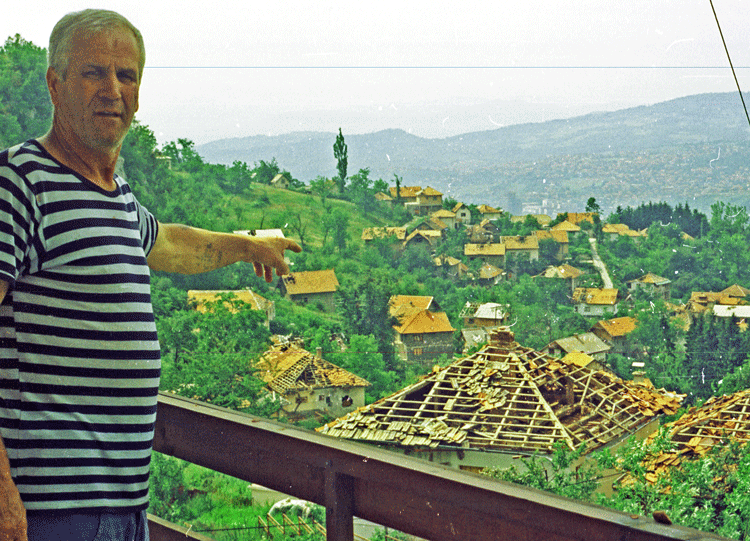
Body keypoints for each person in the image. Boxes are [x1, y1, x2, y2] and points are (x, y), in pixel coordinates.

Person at [0, 9, 301, 541]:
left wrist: (249, 246)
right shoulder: (19, 184)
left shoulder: (114, 195)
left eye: (127, 75)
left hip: (122, 508)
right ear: (55, 83)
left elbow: (172, 245)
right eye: (94, 72)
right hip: (47, 511)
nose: (112, 89)